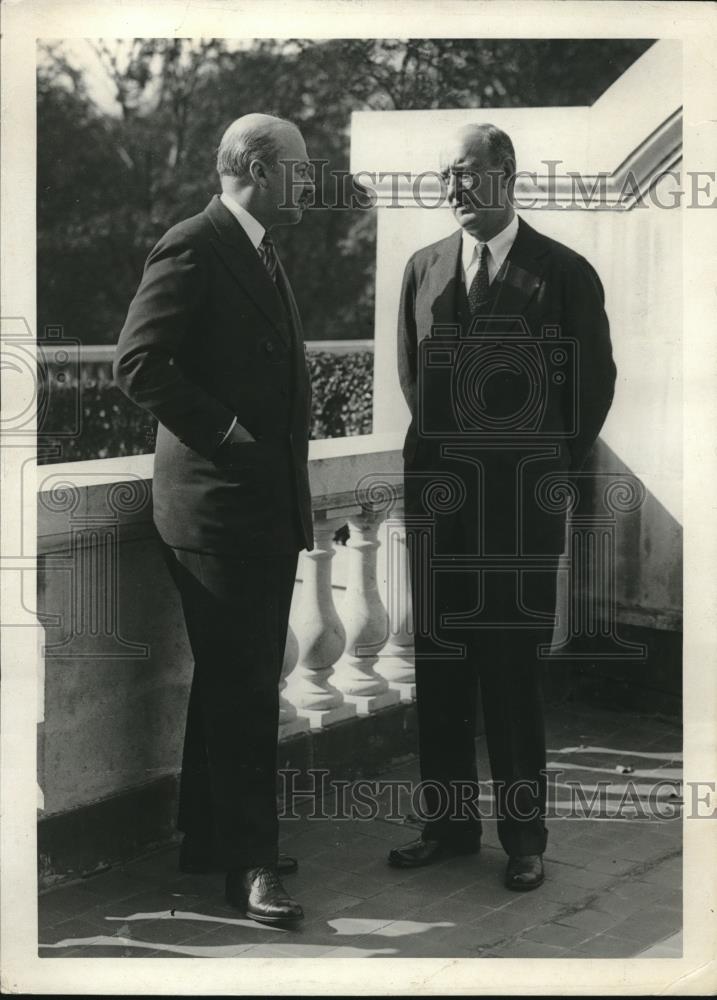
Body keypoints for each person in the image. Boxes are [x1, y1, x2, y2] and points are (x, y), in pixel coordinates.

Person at [389, 123, 616, 890]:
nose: (450, 189)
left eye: (462, 174)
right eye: (443, 177)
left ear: (505, 173)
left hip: (518, 516)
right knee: (441, 670)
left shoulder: (563, 273)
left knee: (511, 678)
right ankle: (447, 826)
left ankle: (525, 838)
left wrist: (535, 468)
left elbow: (590, 391)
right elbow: (412, 380)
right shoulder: (421, 269)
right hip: (438, 512)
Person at [114, 113, 315, 924]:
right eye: (301, 168)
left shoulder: (261, 249)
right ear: (260, 170)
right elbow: (137, 362)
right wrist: (227, 432)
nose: (311, 181)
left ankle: (211, 838)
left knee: (237, 680)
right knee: (244, 688)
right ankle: (251, 864)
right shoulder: (195, 241)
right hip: (219, 511)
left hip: (259, 506)